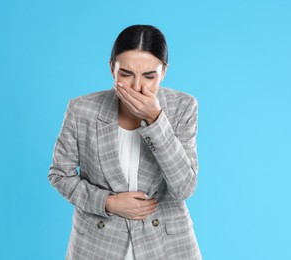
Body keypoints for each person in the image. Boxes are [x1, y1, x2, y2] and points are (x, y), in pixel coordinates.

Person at [48, 24, 202, 259]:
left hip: (165, 246)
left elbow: (184, 188)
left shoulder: (183, 107)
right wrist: (108, 203)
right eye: (126, 74)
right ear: (112, 68)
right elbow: (60, 175)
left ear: (164, 71)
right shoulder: (82, 110)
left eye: (149, 76)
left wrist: (155, 120)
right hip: (97, 245)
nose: (138, 86)